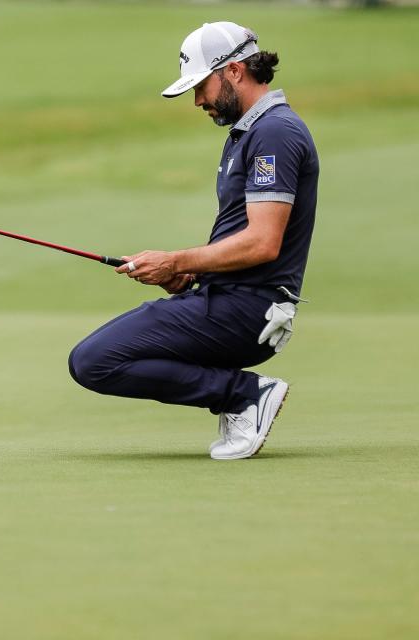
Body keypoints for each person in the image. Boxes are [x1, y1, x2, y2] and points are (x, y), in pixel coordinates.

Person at [68, 22, 319, 460]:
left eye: (202, 85)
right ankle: (240, 395)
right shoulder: (248, 133)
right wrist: (187, 272)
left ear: (235, 71)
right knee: (91, 359)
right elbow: (244, 237)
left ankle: (244, 395)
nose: (199, 100)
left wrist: (175, 259)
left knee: (95, 361)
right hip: (230, 299)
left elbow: (263, 243)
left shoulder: (275, 133)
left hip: (248, 309)